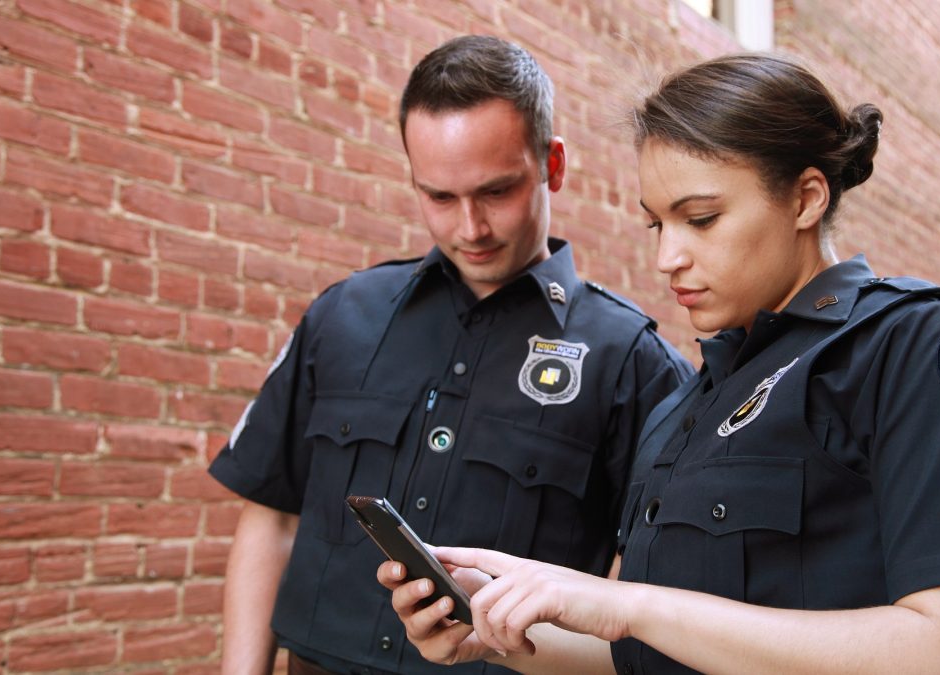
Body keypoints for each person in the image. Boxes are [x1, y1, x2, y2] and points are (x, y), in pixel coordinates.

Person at [379, 53, 940, 674]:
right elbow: (641, 655)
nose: (665, 257)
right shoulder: (687, 403)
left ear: (806, 197)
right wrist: (497, 621)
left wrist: (630, 604)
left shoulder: (914, 350)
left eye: (700, 219)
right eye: (657, 223)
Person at [207, 35, 693, 675]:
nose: (470, 228)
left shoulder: (633, 363)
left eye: (496, 192)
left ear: (552, 165)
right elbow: (270, 521)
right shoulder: (343, 314)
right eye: (438, 197)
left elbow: (641, 599)